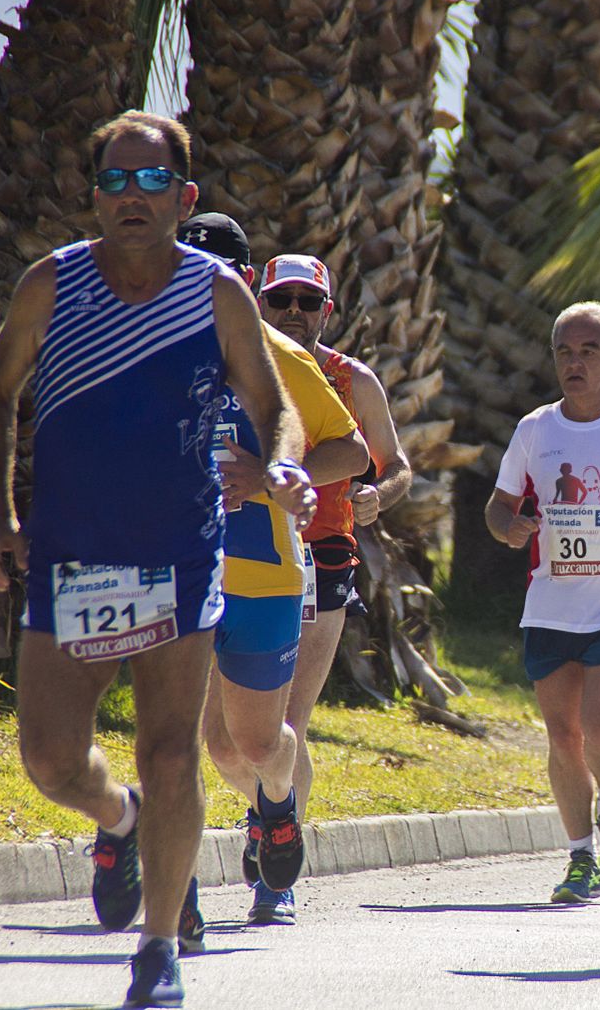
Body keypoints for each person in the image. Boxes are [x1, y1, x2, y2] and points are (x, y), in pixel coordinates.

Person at [0, 111, 316, 1009]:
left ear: (185, 196)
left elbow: (273, 404)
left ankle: (160, 949)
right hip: (72, 556)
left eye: (152, 180)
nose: (133, 196)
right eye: (116, 182)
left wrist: (278, 465)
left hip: (180, 550)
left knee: (171, 754)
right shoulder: (53, 284)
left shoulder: (216, 293)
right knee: (50, 759)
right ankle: (117, 820)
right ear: (93, 197)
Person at [176, 219, 371, 932]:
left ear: (241, 282)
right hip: (179, 572)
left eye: (220, 271)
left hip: (265, 573)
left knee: (254, 742)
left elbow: (350, 451)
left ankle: (275, 810)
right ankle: (177, 895)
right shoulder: (151, 348)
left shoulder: (284, 359)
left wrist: (268, 476)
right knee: (183, 739)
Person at [486, 302, 600, 904]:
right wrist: (508, 528)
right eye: (565, 350)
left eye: (589, 351)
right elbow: (499, 505)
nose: (574, 361)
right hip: (548, 607)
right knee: (562, 738)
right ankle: (579, 858)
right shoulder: (534, 429)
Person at [250, 248, 413, 923]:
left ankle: (274, 873)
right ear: (258, 304)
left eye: (306, 302)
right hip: (248, 552)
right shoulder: (237, 368)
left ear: (328, 310)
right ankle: (266, 817)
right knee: (242, 721)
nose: (293, 312)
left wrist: (381, 495)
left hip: (323, 552)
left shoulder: (354, 379)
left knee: (289, 719)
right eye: (280, 300)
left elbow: (394, 464)